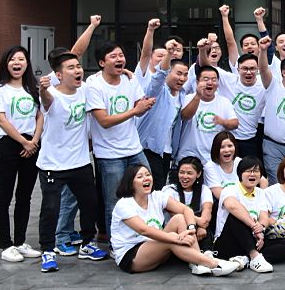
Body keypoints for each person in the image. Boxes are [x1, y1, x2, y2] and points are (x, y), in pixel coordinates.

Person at [36, 53, 110, 272]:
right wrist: (42, 90)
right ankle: (48, 251)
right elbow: (46, 100)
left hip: (80, 162)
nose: (77, 70)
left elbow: (103, 77)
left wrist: (125, 71)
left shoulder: (85, 89)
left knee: (90, 204)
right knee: (50, 209)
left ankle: (87, 244)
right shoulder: (51, 95)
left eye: (78, 66)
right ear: (58, 75)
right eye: (71, 67)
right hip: (53, 165)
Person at [110, 164, 240, 276]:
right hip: (132, 257)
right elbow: (144, 230)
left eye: (148, 174)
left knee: (179, 218)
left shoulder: (157, 196)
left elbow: (186, 210)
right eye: (140, 177)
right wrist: (176, 238)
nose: (146, 178)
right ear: (131, 184)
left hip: (157, 248)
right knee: (171, 239)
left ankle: (197, 262)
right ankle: (214, 263)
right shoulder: (124, 205)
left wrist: (191, 228)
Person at [86, 41, 154, 240]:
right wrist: (135, 110)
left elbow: (139, 108)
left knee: (146, 192)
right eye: (113, 56)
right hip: (109, 154)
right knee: (114, 201)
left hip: (134, 149)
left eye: (121, 55)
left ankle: (144, 234)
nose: (119, 59)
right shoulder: (94, 85)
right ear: (101, 62)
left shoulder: (129, 79)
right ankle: (116, 243)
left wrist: (145, 106)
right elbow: (104, 121)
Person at [0, 46, 45, 262]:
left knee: (24, 197)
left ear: (27, 63)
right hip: (8, 145)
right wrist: (23, 142)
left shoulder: (33, 89)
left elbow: (40, 115)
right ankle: (6, 245)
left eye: (21, 59)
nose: (17, 63)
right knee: (4, 197)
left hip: (32, 145)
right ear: (6, 63)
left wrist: (34, 141)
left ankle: (20, 242)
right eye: (12, 59)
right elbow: (1, 120)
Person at [215, 6, 270, 163]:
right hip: (228, 137)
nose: (248, 72)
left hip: (252, 136)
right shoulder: (232, 75)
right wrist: (225, 17)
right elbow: (230, 43)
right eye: (246, 44)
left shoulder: (265, 79)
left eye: (253, 44)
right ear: (238, 69)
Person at [213, 157, 285, 273]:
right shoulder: (230, 189)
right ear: (240, 174)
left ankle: (245, 259)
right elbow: (232, 206)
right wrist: (254, 227)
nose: (252, 174)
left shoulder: (261, 193)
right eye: (248, 171)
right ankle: (254, 256)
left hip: (253, 240)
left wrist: (261, 228)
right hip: (228, 241)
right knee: (236, 217)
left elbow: (264, 217)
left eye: (256, 171)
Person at [138, 36, 189, 190]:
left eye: (185, 74)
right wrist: (169, 53)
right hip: (149, 148)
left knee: (160, 188)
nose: (182, 78)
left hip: (167, 151)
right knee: (152, 189)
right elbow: (159, 75)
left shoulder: (182, 94)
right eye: (178, 73)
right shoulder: (156, 90)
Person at [178, 62, 238, 168]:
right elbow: (185, 116)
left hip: (212, 159)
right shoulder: (188, 98)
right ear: (197, 82)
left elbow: (235, 123)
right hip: (188, 155)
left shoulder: (224, 102)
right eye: (205, 80)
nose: (210, 83)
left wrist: (223, 122)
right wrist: (198, 96)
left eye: (214, 80)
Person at [161, 156, 213, 247]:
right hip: (174, 231)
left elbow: (207, 209)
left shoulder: (204, 189)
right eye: (182, 172)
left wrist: (202, 226)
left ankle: (207, 252)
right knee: (183, 218)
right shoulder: (169, 190)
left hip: (195, 229)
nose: (185, 176)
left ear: (198, 174)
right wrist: (198, 221)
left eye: (189, 173)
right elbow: (173, 212)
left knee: (201, 221)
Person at [205, 132, 266, 200]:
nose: (226, 150)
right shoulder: (210, 167)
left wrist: (259, 200)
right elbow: (219, 194)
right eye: (222, 147)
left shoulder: (239, 161)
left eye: (230, 146)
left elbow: (263, 181)